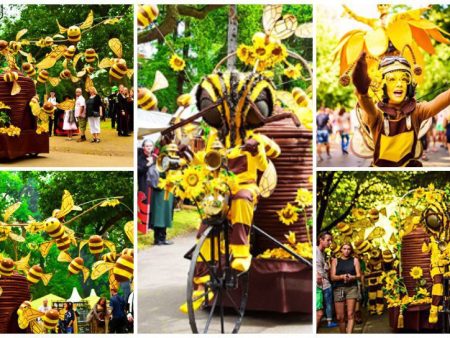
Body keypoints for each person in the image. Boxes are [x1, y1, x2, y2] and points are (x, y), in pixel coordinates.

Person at [352, 53, 450, 166]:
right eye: (392, 79)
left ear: (409, 86)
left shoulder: (417, 111)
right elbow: (367, 104)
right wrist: (362, 90)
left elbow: (445, 98)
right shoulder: (377, 113)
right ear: (382, 85)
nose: (399, 84)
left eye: (404, 79)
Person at [330, 243, 361, 334]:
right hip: (339, 289)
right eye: (344, 248)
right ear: (341, 250)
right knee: (340, 317)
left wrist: (352, 277)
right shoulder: (335, 261)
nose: (346, 251)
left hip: (351, 288)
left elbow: (359, 275)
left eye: (348, 249)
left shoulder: (355, 260)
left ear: (351, 250)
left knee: (351, 314)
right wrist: (342, 277)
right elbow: (332, 277)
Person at [317, 232, 337, 330]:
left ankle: (329, 321)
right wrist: (316, 274)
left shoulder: (324, 254)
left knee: (328, 302)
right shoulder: (315, 251)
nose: (330, 242)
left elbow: (326, 268)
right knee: (319, 305)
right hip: (318, 283)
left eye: (331, 240)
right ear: (320, 239)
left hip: (325, 282)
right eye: (328, 240)